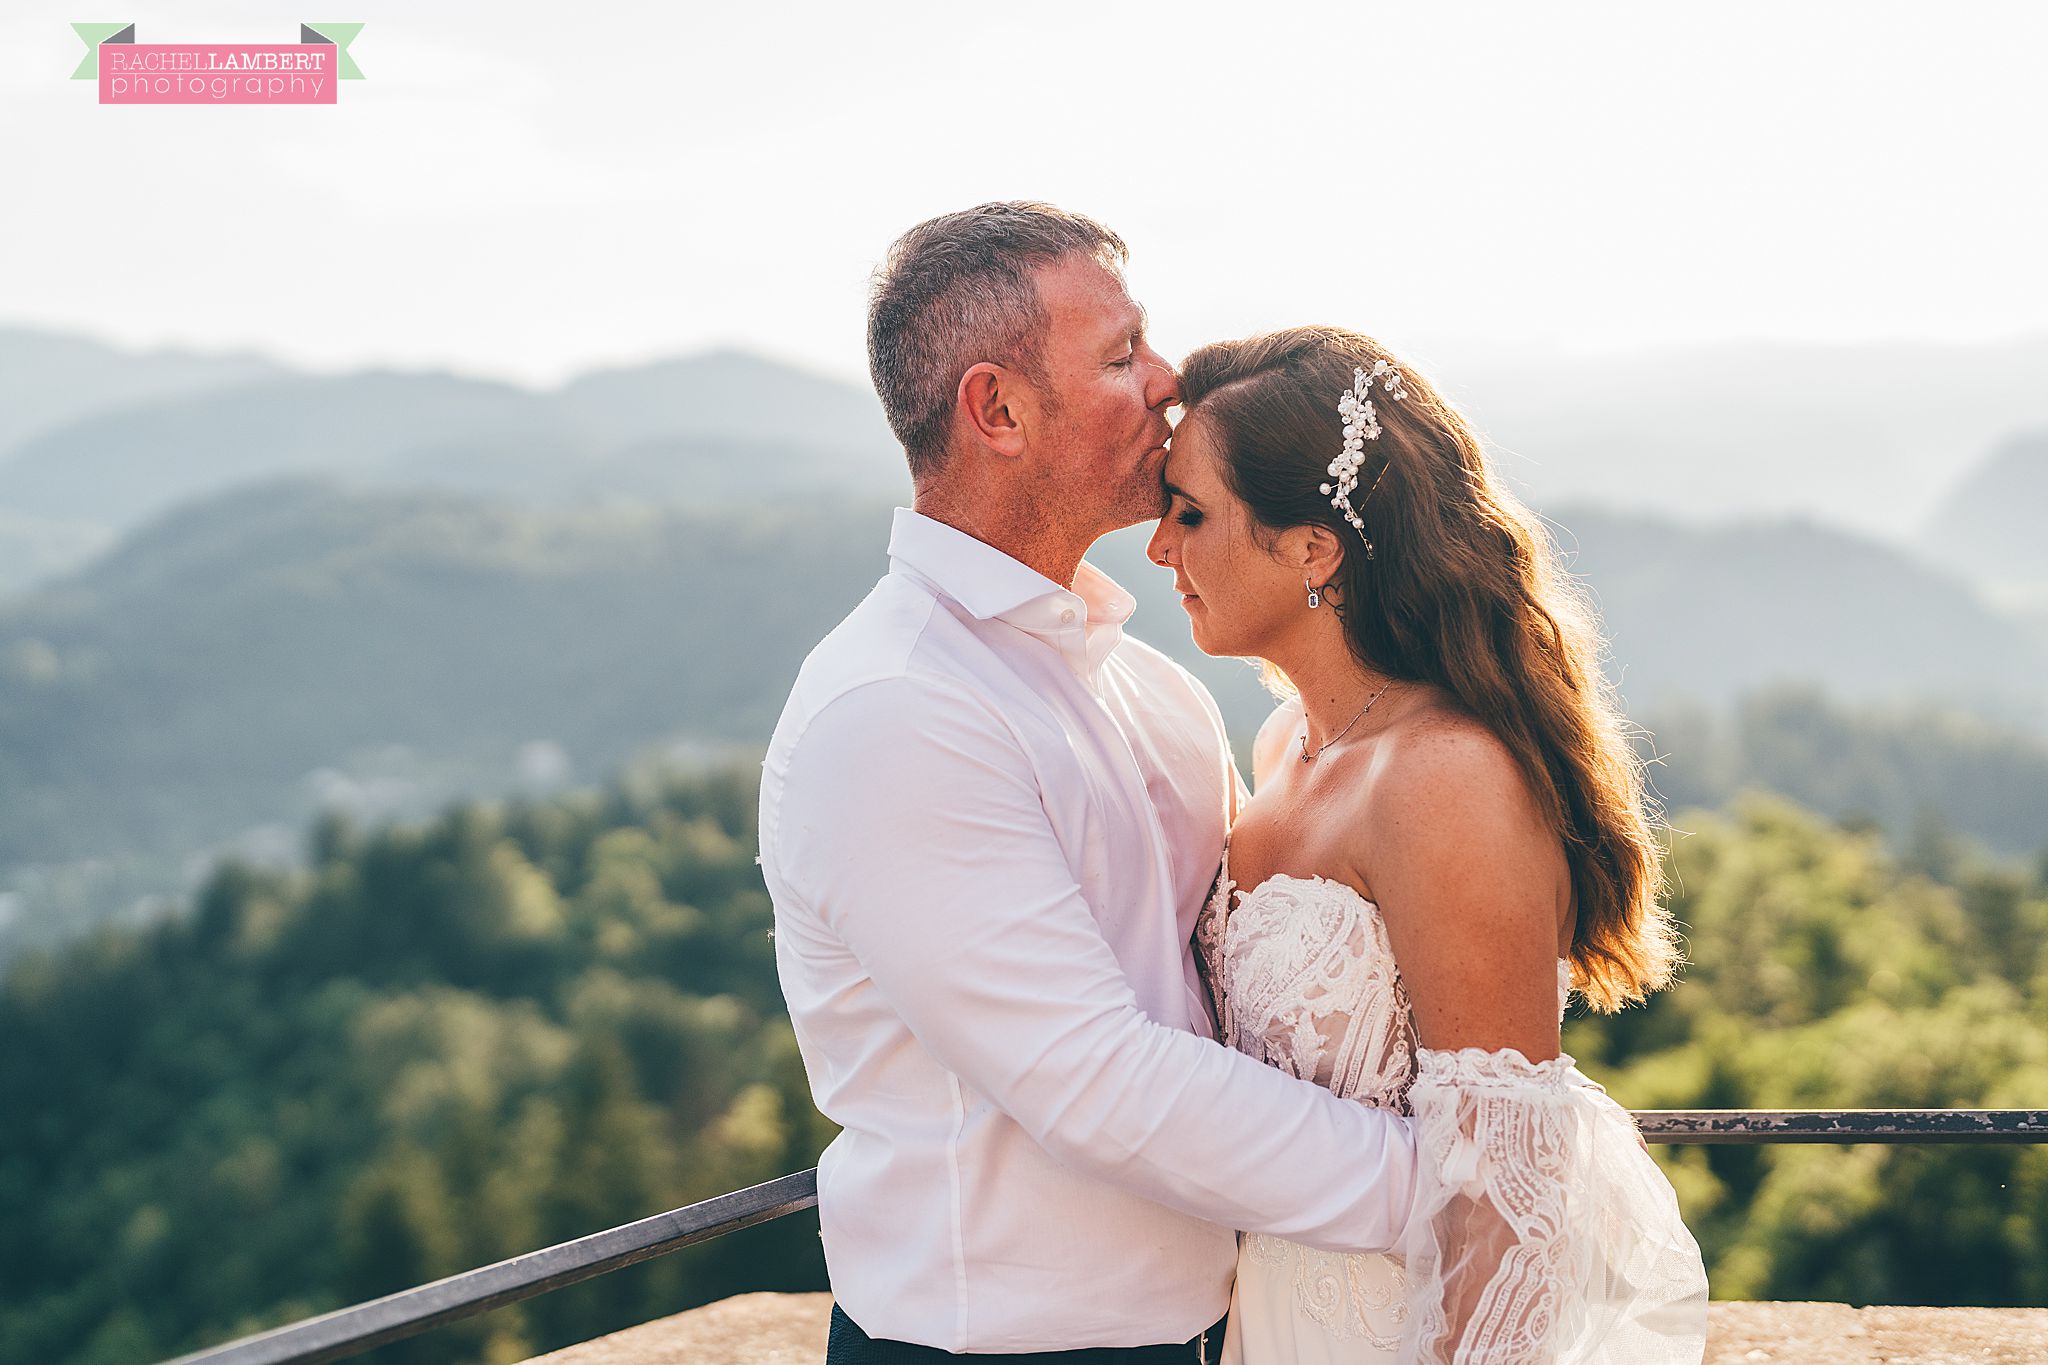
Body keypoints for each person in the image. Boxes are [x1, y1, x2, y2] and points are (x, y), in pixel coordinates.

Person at [759, 205, 1427, 1363]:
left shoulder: (1150, 688)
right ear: (997, 409)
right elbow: (1094, 1080)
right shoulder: (896, 710)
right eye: (1121, 356)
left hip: (1228, 1326)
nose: (1166, 383)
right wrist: (1449, 1187)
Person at [1147, 325, 1710, 1364]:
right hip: (1268, 1321)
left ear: (1312, 546)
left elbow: (1507, 1175)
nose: (1158, 548)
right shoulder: (1286, 747)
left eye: (1188, 513)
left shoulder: (1441, 777)